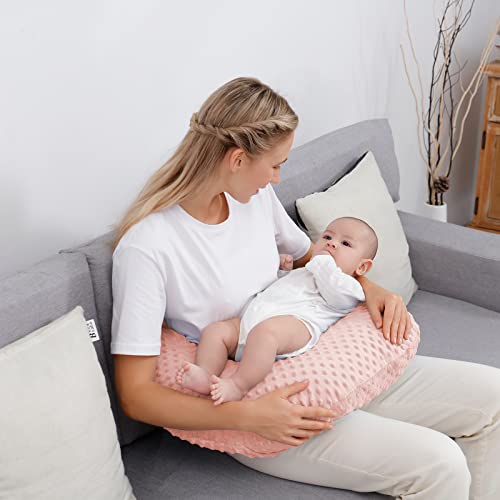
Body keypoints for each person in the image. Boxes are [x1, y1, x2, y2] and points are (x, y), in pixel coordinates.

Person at [111, 76, 500, 499]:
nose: (278, 179)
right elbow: (136, 396)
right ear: (237, 159)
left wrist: (369, 287)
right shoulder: (148, 247)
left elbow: (309, 258)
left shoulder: (251, 198)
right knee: (440, 464)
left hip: (322, 360)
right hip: (262, 402)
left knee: (494, 397)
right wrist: (248, 416)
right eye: (275, 165)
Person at [175, 216, 378, 405]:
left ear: (361, 267)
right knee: (216, 331)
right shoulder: (306, 270)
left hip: (295, 325)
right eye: (327, 237)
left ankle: (238, 385)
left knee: (266, 333)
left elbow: (333, 288)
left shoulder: (348, 287)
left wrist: (322, 260)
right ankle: (205, 373)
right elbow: (282, 289)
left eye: (345, 243)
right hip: (251, 320)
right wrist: (283, 272)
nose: (332, 243)